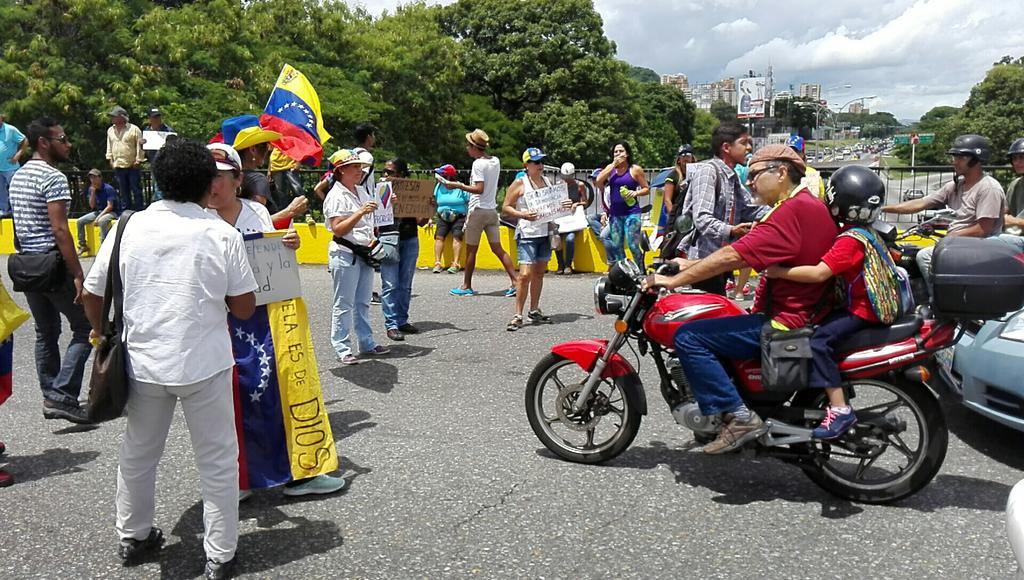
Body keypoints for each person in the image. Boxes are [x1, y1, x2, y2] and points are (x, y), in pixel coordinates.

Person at [80, 139, 258, 578]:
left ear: (158, 180)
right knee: (217, 461)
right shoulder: (221, 233)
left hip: (143, 363)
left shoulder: (127, 227)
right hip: (205, 364)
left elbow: (92, 293)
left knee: (139, 453)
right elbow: (244, 307)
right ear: (209, 183)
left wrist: (102, 332)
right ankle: (219, 554)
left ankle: (134, 535)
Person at [642, 144, 838, 454]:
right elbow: (746, 253)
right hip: (807, 312)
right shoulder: (805, 205)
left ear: (781, 172)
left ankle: (739, 416)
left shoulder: (791, 211)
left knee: (690, 337)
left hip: (788, 320)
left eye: (756, 174)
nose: (749, 182)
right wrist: (688, 264)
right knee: (721, 321)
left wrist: (673, 280)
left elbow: (734, 254)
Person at [205, 143, 347, 499]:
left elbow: (273, 257)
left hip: (266, 318)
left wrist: (289, 242)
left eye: (220, 177)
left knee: (280, 392)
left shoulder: (256, 212)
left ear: (238, 179)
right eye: (206, 177)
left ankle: (301, 472)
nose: (212, 185)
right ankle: (237, 479)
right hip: (216, 321)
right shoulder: (195, 220)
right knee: (227, 400)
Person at [765, 166, 899, 439]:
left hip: (861, 310)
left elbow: (819, 273)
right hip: (864, 305)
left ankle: (839, 409)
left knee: (816, 342)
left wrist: (778, 272)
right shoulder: (868, 231)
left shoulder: (850, 241)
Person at [8, 117, 93, 424]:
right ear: (44, 142)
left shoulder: (17, 176)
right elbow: (60, 230)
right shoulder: (53, 177)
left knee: (46, 332)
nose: (67, 144)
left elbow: (19, 224)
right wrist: (78, 273)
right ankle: (61, 396)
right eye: (62, 138)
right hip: (52, 263)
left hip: (27, 263)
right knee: (86, 328)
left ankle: (51, 393)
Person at [881, 134, 1008, 291]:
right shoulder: (955, 186)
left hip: (978, 247)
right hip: (959, 244)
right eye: (955, 157)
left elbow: (983, 229)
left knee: (925, 256)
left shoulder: (988, 188)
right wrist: (881, 208)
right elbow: (921, 203)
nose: (954, 161)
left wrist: (949, 239)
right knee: (908, 253)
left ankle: (939, 300)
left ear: (976, 159)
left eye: (961, 157)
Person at [679, 123, 767, 295]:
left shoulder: (732, 177)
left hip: (719, 261)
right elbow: (702, 218)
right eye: (744, 143)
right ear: (726, 147)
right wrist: (732, 230)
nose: (749, 147)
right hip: (702, 261)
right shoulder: (708, 172)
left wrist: (783, 207)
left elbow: (749, 209)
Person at [324, 149, 390, 365]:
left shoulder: (360, 191)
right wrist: (360, 212)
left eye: (360, 167)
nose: (360, 171)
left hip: (364, 252)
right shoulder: (335, 195)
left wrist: (386, 202)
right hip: (345, 253)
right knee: (343, 303)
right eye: (354, 167)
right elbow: (338, 229)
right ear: (341, 170)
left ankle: (366, 341)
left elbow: (374, 214)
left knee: (362, 302)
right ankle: (342, 347)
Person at [502, 148, 571, 330]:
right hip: (527, 234)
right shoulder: (520, 183)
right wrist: (522, 214)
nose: (540, 165)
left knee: (540, 273)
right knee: (525, 275)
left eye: (541, 161)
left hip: (545, 233)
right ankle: (517, 314)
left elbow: (556, 205)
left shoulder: (547, 182)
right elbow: (505, 207)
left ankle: (534, 310)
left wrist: (566, 205)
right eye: (536, 162)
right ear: (526, 165)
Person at [448, 129, 519, 297]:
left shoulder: (478, 164)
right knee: (498, 249)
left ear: (474, 147)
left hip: (478, 210)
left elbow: (479, 189)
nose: (467, 148)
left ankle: (466, 286)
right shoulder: (495, 161)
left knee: (471, 250)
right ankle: (515, 281)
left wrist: (459, 185)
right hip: (491, 210)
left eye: (468, 145)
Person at [220, 115, 308, 227]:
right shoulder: (257, 180)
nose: (268, 150)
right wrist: (290, 211)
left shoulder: (222, 179)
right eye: (265, 145)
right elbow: (255, 224)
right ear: (253, 150)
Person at [380, 158, 424, 341]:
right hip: (389, 239)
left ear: (401, 175)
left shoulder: (412, 192)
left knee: (405, 284)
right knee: (390, 284)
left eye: (390, 172)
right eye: (385, 171)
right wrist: (388, 202)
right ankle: (391, 324)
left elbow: (422, 222)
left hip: (410, 238)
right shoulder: (380, 190)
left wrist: (428, 206)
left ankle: (402, 320)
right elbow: (375, 216)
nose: (385, 175)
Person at [595, 142, 650, 270]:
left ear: (627, 154)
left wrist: (635, 192)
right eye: (615, 152)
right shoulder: (611, 169)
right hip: (615, 214)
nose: (618, 154)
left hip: (632, 213)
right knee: (617, 246)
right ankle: (625, 272)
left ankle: (641, 269)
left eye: (621, 151)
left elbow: (646, 188)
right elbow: (598, 181)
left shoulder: (635, 169)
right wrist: (613, 165)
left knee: (633, 245)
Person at [105, 106, 146, 211]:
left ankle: (139, 210)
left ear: (121, 117)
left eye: (114, 116)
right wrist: (110, 158)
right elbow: (109, 145)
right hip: (118, 165)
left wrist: (138, 160)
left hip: (132, 165)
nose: (112, 118)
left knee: (136, 190)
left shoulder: (134, 129)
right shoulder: (110, 130)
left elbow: (140, 146)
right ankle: (125, 212)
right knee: (123, 191)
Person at [431, 163, 468, 274]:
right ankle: (437, 262)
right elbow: (433, 202)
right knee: (439, 237)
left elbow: (468, 200)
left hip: (459, 216)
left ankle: (455, 263)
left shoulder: (460, 187)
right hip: (442, 216)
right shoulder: (438, 187)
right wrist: (429, 218)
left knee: (457, 237)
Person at [553, 162, 589, 275]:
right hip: (561, 220)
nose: (567, 180)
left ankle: (568, 264)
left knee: (570, 239)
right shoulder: (558, 186)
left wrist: (576, 204)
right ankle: (560, 264)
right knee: (556, 238)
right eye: (565, 177)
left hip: (573, 220)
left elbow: (585, 202)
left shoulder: (580, 185)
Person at [76, 168, 121, 255]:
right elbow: (92, 206)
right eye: (91, 178)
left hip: (112, 212)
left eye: (95, 177)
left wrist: (98, 218)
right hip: (99, 211)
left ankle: (104, 247)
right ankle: (83, 245)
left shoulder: (108, 188)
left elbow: (110, 206)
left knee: (102, 221)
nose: (93, 180)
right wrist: (92, 193)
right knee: (80, 221)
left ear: (100, 178)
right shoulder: (91, 189)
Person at [0, 113, 29, 217]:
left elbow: (24, 140)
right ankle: (4, 210)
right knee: (1, 191)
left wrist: (18, 155)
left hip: (10, 167)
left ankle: (18, 210)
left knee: (16, 189)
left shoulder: (10, 129)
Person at [142, 108, 174, 201]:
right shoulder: (147, 131)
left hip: (167, 163)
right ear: (149, 118)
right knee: (156, 187)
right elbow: (144, 151)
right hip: (154, 163)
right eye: (154, 117)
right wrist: (142, 144)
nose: (157, 119)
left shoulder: (168, 130)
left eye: (158, 116)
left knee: (163, 187)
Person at [1000, 138, 1024, 250]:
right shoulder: (1015, 184)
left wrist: (1012, 221)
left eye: (1022, 157)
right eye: (1014, 158)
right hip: (1013, 234)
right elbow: (1003, 212)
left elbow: (1007, 218)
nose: (1018, 162)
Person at [786, 135, 826, 199]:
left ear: (802, 153)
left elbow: (819, 199)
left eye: (796, 151)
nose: (791, 154)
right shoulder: (781, 173)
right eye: (788, 151)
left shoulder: (812, 174)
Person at [663, 145, 694, 216]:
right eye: (682, 155)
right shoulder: (672, 176)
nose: (685, 157)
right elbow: (667, 200)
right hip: (678, 213)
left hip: (693, 213)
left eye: (688, 155)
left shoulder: (698, 174)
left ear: (692, 158)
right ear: (679, 160)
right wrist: (672, 217)